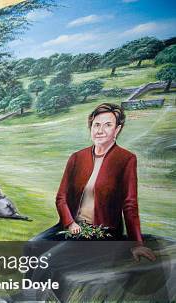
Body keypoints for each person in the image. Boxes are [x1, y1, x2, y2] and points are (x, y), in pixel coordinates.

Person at [33, 103, 155, 260]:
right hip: (71, 226)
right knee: (32, 245)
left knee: (50, 258)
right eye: (96, 125)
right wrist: (70, 223)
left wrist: (137, 245)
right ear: (90, 127)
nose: (100, 130)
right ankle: (30, 285)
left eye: (108, 125)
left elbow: (130, 204)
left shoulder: (126, 159)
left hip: (102, 232)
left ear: (117, 130)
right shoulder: (77, 157)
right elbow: (61, 198)